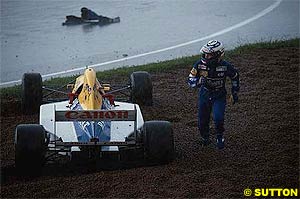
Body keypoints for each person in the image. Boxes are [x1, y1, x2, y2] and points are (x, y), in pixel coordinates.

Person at [187, 40, 240, 149]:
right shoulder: (199, 65)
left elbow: (235, 76)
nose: (207, 56)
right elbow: (190, 79)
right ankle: (205, 138)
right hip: (204, 94)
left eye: (210, 54)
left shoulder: (226, 66)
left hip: (219, 95)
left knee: (218, 118)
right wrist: (198, 82)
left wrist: (234, 92)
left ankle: (220, 136)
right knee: (202, 120)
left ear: (218, 55)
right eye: (205, 53)